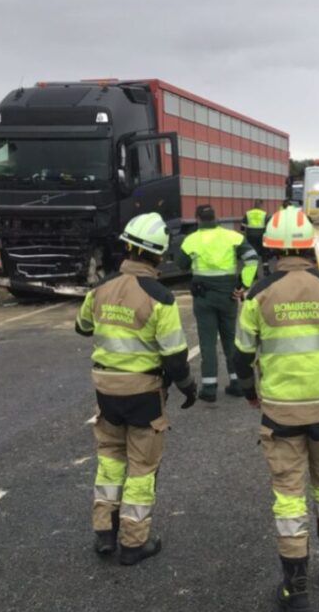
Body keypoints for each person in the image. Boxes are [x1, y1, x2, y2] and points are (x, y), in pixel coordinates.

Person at [233, 206, 319, 610]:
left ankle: (295, 586)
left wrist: (250, 392)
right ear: (310, 246)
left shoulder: (258, 294)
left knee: (289, 496)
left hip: (280, 412)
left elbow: (241, 355)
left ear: (271, 249)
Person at [76, 212, 197, 566]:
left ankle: (104, 532)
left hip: (106, 390)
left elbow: (83, 326)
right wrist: (188, 387)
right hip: (144, 392)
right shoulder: (161, 297)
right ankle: (133, 542)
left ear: (127, 247)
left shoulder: (100, 288)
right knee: (142, 469)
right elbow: (175, 357)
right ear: (159, 255)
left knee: (110, 460)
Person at [175, 204, 258, 401]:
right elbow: (252, 258)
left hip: (203, 297)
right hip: (229, 294)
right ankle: (236, 383)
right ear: (217, 217)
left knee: (208, 342)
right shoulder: (232, 237)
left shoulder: (191, 239)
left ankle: (209, 388)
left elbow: (181, 264)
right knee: (230, 339)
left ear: (197, 219)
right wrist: (243, 284)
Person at [244, 199, 269, 271]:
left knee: (252, 253)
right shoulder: (264, 214)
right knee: (264, 253)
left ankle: (253, 272)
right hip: (261, 236)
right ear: (261, 204)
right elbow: (268, 226)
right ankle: (266, 270)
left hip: (250, 236)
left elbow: (242, 226)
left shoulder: (248, 213)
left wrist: (244, 234)